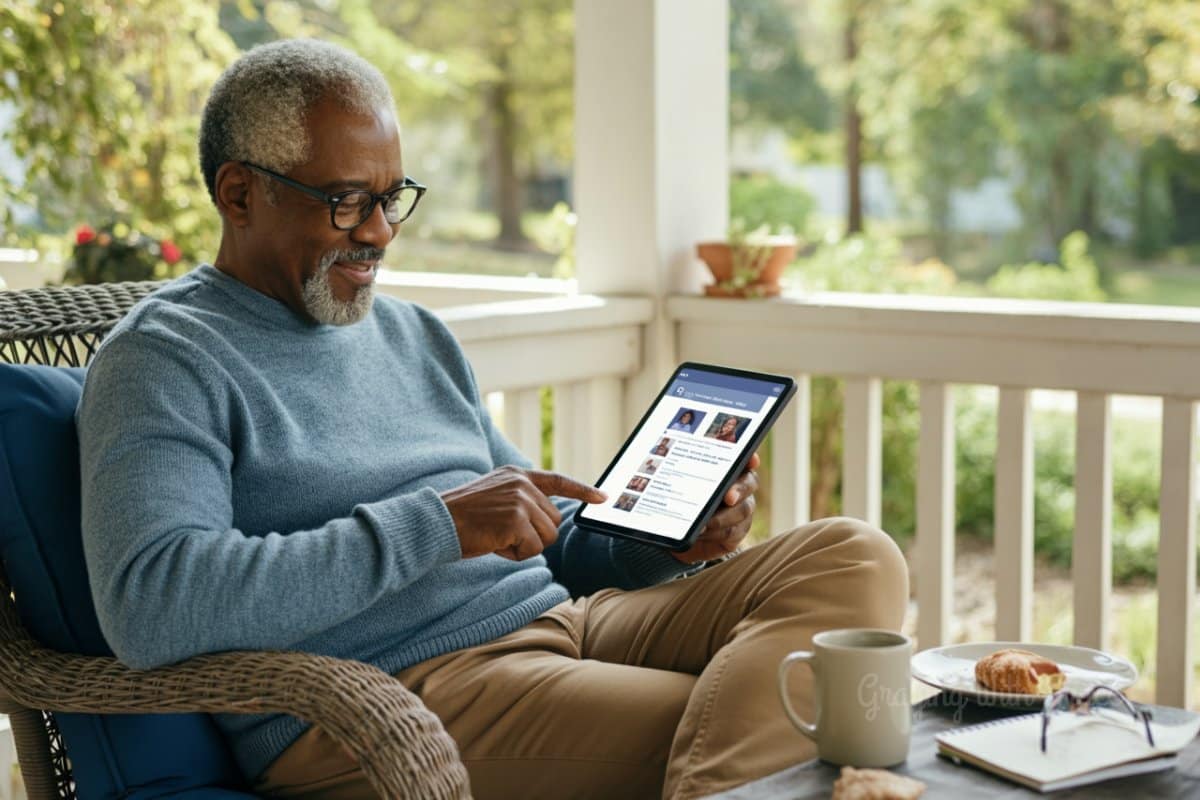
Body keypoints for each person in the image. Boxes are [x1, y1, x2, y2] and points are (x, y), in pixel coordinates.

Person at [76, 39, 908, 800]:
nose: (377, 233)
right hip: (394, 694)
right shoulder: (164, 358)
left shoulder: (412, 333)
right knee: (774, 718)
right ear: (239, 193)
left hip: (564, 623)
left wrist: (656, 538)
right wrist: (435, 526)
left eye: (391, 197)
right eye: (343, 202)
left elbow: (543, 537)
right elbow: (154, 605)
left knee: (850, 555)